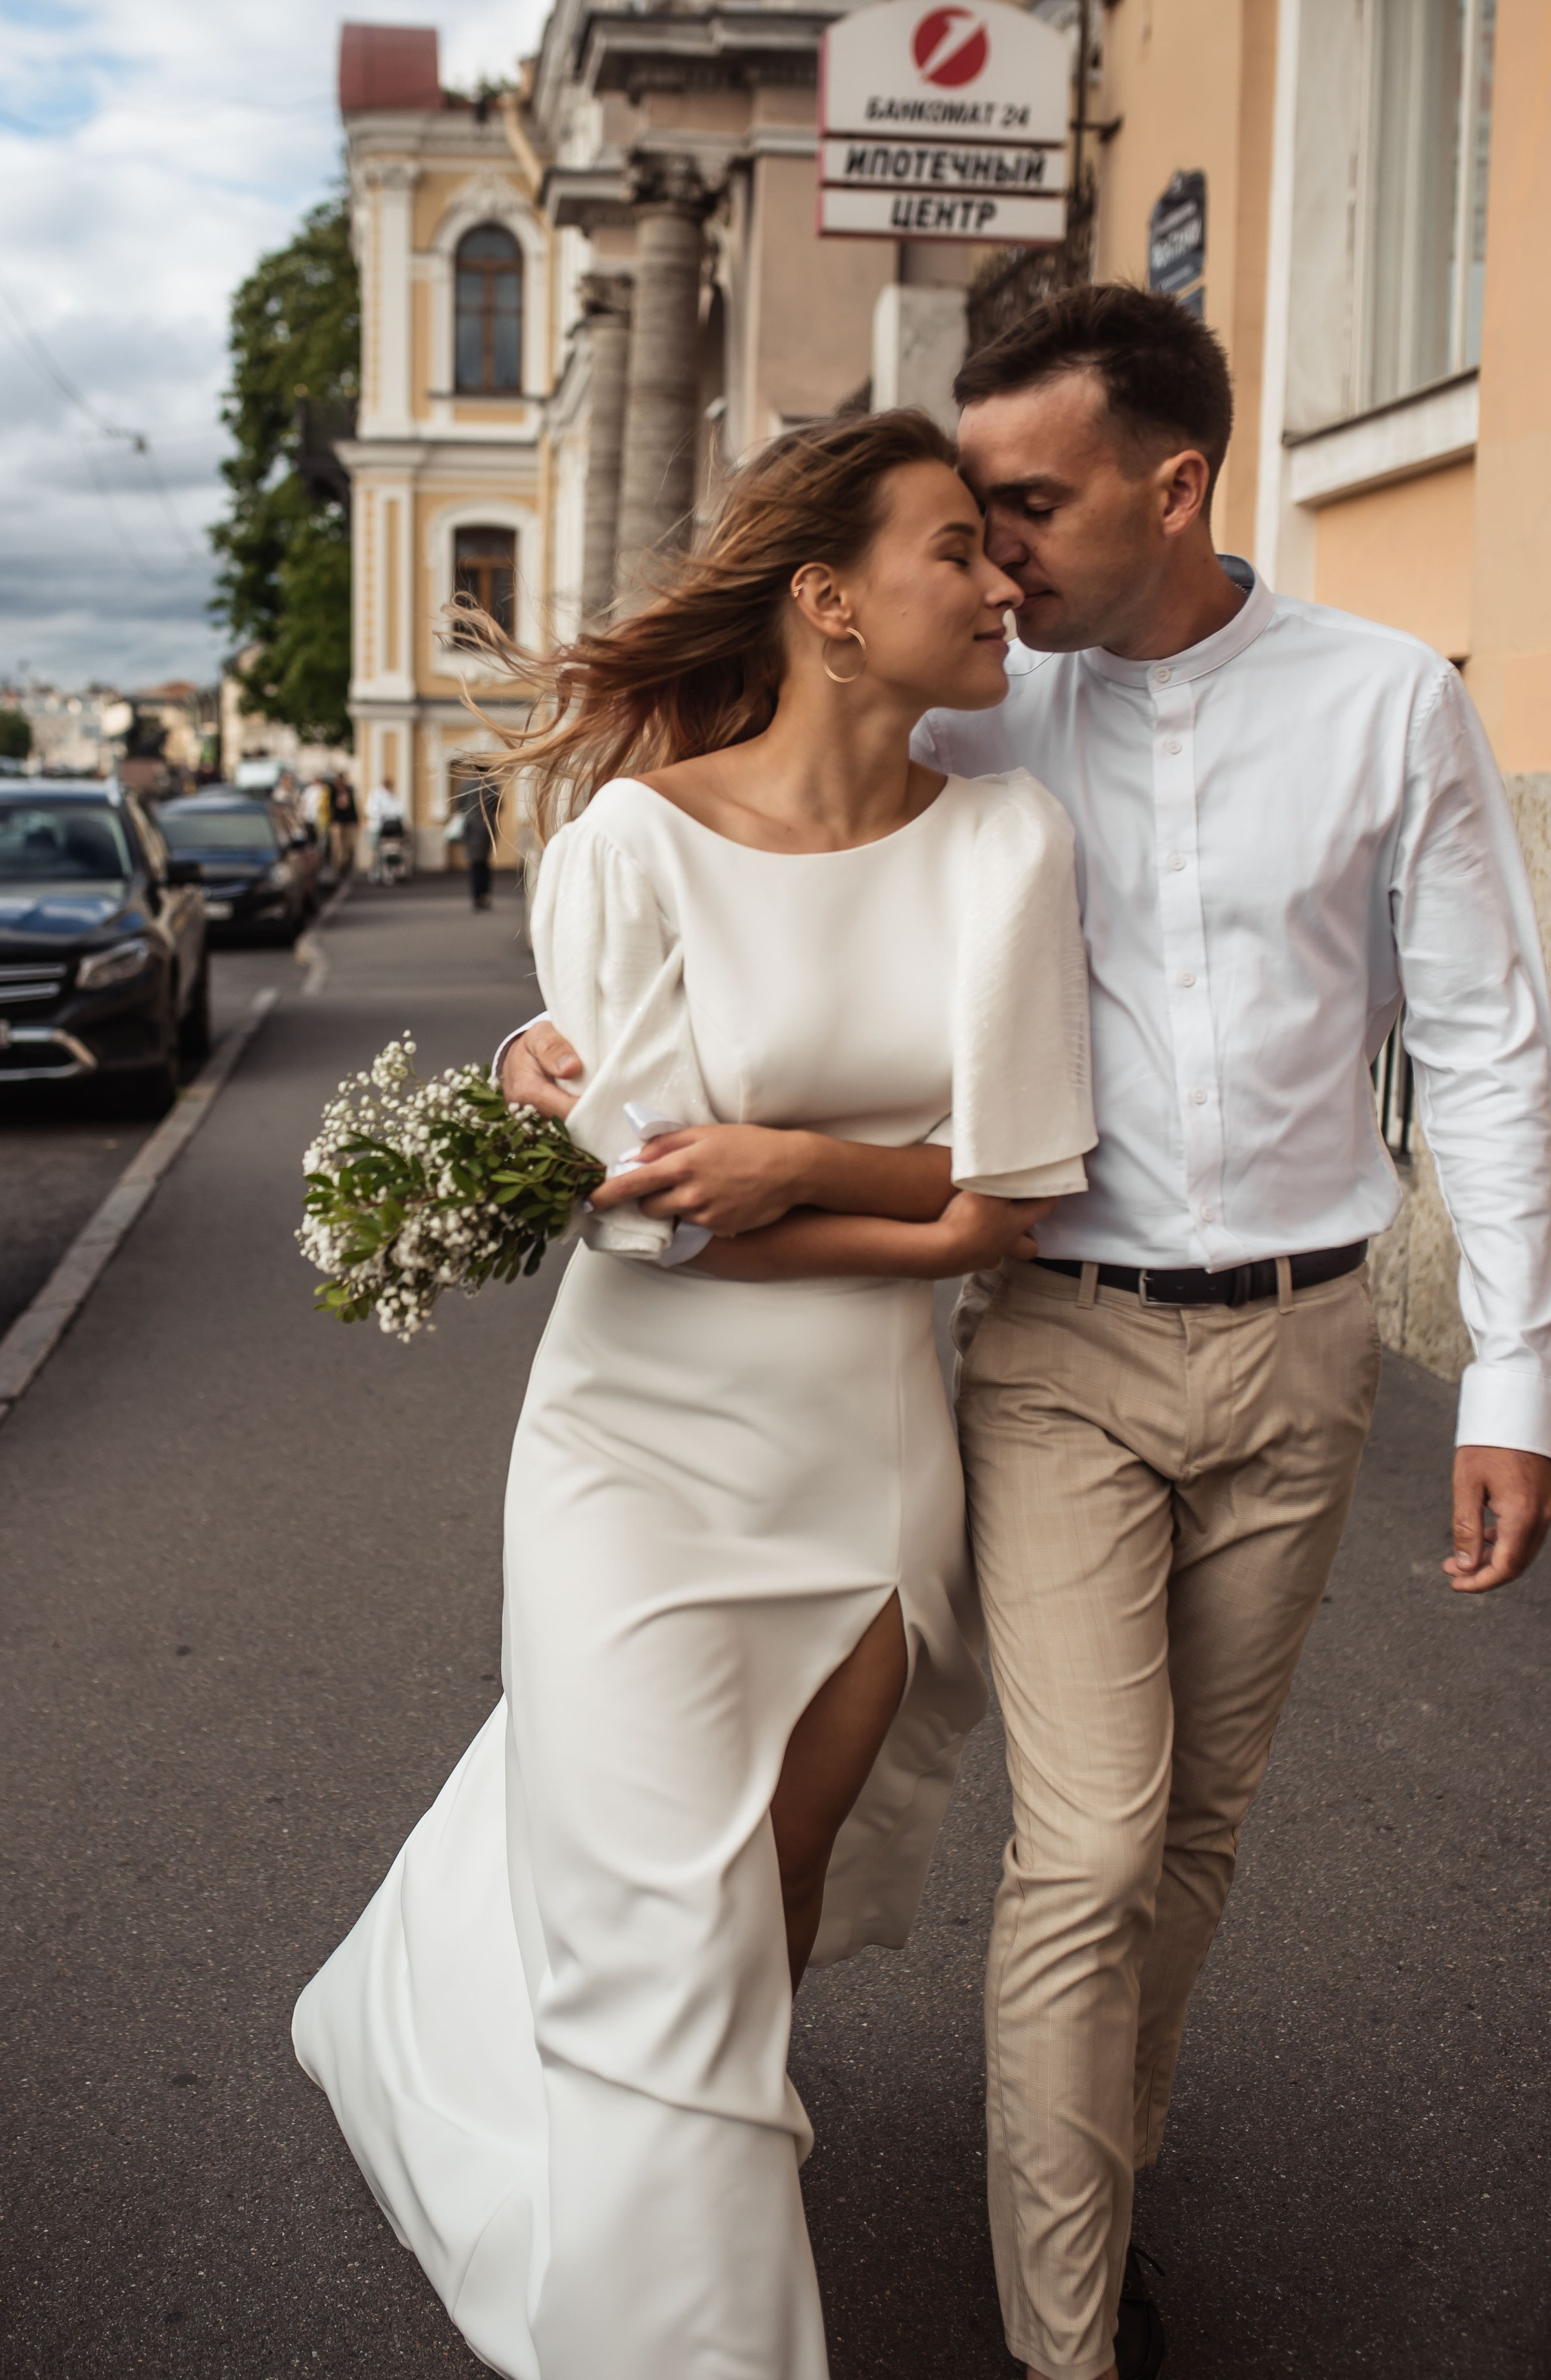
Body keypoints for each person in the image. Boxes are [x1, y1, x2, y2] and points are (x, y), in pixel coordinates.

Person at [510, 286, 1551, 2380]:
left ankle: (1091, 2170)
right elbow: (753, 830)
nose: (994, 558)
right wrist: (572, 1050)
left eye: (1033, 507)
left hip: (1308, 1348)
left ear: (1175, 489)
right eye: (969, 517)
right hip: (1045, 1346)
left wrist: (1511, 1375)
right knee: (1081, 1846)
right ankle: (1061, 2333)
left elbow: (1489, 1043)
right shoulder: (973, 698)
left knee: (1189, 1837)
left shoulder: (1382, 705)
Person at [292, 410, 1098, 2378]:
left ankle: (664, 2200)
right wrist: (863, 1198)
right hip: (634, 1458)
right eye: (957, 553)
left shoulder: (1009, 834)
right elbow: (652, 1225)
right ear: (829, 602)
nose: (1006, 587)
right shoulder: (629, 843)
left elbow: (1020, 1191)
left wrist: (800, 1167)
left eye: (1005, 557)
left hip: (863, 1470)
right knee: (671, 1951)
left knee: (762, 1923)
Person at [456, 762, 502, 910]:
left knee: (474, 863)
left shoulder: (465, 786)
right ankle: (485, 895)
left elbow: (459, 806)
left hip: (470, 828)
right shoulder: (492, 785)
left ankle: (476, 896)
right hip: (487, 828)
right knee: (485, 863)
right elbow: (500, 806)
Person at [327, 772, 359, 878]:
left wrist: (356, 820)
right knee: (338, 846)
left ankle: (346, 867)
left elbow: (353, 806)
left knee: (348, 846)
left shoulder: (349, 790)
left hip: (348, 822)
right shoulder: (333, 791)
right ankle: (338, 868)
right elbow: (329, 807)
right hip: (337, 821)